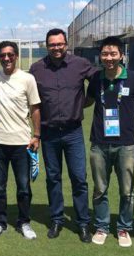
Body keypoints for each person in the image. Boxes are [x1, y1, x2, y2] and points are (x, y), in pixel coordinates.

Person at [29, 28, 97, 243]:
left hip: (73, 132)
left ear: (66, 44)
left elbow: (98, 79)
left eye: (60, 44)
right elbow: (31, 99)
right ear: (46, 46)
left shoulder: (80, 64)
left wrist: (89, 100)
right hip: (49, 133)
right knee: (53, 178)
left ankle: (83, 222)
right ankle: (57, 219)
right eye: (52, 44)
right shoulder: (37, 69)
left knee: (79, 178)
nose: (56, 48)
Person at [84, 36, 134, 247]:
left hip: (126, 144)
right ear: (100, 56)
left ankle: (124, 228)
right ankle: (102, 226)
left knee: (127, 189)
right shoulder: (96, 79)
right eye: (105, 54)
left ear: (121, 56)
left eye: (113, 53)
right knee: (100, 187)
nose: (109, 58)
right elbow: (88, 101)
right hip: (99, 143)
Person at [0, 41, 41, 239]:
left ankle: (24, 222)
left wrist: (36, 135)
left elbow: (35, 108)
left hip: (22, 142)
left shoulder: (28, 79)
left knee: (24, 187)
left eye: (10, 54)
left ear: (16, 56)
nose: (6, 58)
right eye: (2, 55)